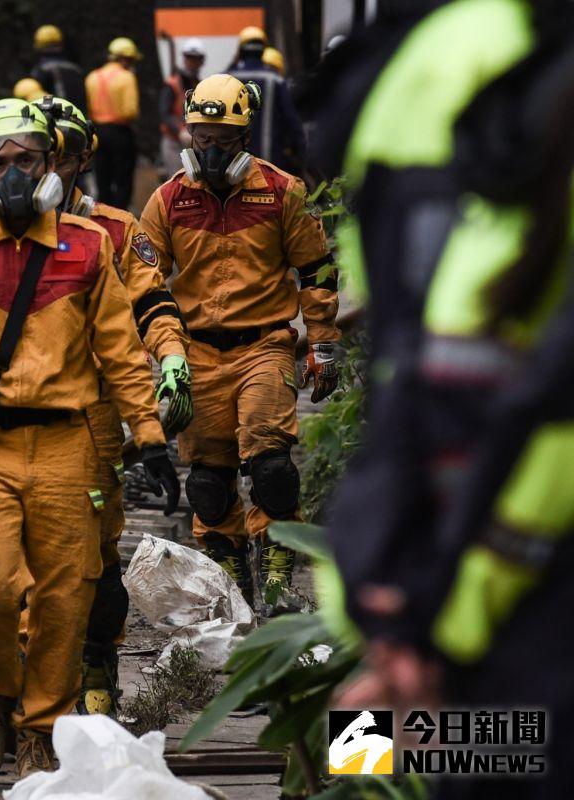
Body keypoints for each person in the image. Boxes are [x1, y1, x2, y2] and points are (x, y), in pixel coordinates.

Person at [321, 7, 574, 797]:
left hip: (500, 620)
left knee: (381, 748)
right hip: (472, 606)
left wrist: (405, 624)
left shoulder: (442, 57)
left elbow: (433, 375)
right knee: (372, 746)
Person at [0, 97, 179, 777]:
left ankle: (40, 729)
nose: (14, 173)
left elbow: (117, 349)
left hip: (69, 446)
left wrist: (151, 434)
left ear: (52, 163)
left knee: (63, 596)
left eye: (27, 159)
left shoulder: (90, 245)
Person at [138, 74, 340, 610]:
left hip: (264, 346)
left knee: (272, 467)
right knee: (208, 481)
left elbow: (316, 271)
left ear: (244, 135)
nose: (208, 148)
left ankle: (276, 580)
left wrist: (323, 342)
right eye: (201, 135)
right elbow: (143, 282)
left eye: (221, 137)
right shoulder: (167, 201)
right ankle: (233, 583)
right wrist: (163, 355)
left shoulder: (282, 193)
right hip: (197, 351)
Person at [31, 94, 190, 718]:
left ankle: (97, 670)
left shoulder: (120, 232)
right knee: (12, 560)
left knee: (93, 557)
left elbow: (151, 304)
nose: (42, 171)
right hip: (16, 418)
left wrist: (172, 357)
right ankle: (25, 686)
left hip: (93, 417)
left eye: (56, 158)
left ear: (79, 161)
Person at [227, 26, 305, 174]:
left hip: (233, 165)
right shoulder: (275, 80)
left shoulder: (228, 77)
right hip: (269, 163)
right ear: (263, 50)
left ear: (240, 51)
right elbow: (292, 121)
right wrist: (299, 151)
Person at [85, 36, 140, 209]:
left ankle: (104, 214)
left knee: (103, 177)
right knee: (123, 178)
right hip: (120, 132)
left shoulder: (92, 76)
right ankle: (121, 216)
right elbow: (129, 111)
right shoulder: (126, 77)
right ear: (125, 59)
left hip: (97, 133)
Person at [29, 24, 86, 113]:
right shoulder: (75, 69)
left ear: (38, 44)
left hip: (55, 119)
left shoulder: (41, 70)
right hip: (78, 118)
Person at [157, 63, 188, 180]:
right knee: (176, 178)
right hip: (173, 140)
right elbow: (165, 113)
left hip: (191, 141)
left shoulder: (197, 83)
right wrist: (180, 130)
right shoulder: (171, 85)